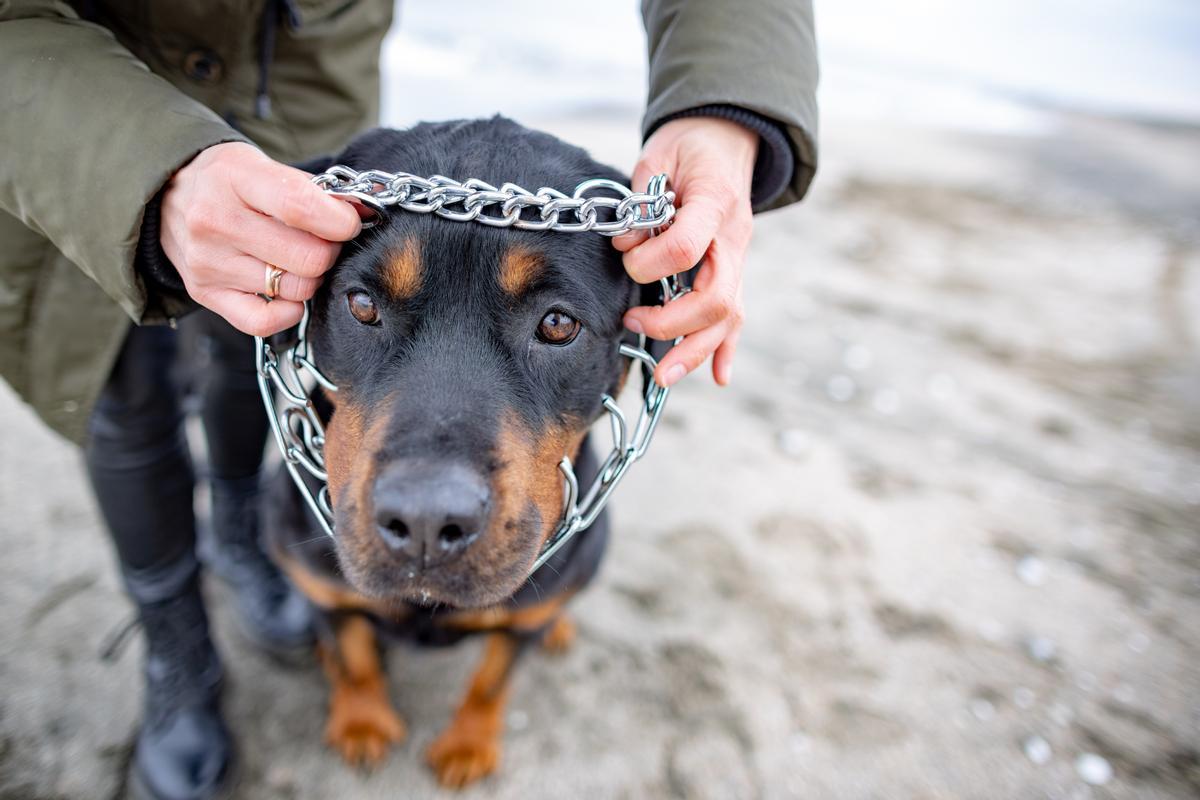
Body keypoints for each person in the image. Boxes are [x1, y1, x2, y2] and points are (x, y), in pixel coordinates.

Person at [0, 2, 818, 798]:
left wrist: (725, 111)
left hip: (295, 88)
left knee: (231, 364)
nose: (429, 500)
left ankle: (259, 548)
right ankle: (186, 645)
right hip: (75, 109)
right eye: (365, 308)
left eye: (558, 323)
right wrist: (143, 171)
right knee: (125, 390)